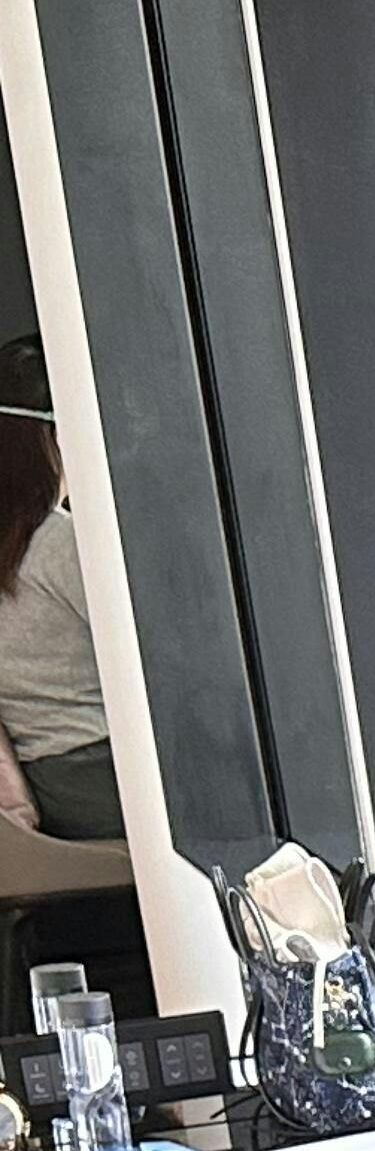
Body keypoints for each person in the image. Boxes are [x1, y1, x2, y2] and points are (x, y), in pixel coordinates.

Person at [0, 339, 118, 844]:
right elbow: (151, 658)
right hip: (105, 774)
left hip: (45, 785)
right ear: (52, 437)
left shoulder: (20, 544)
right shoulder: (60, 542)